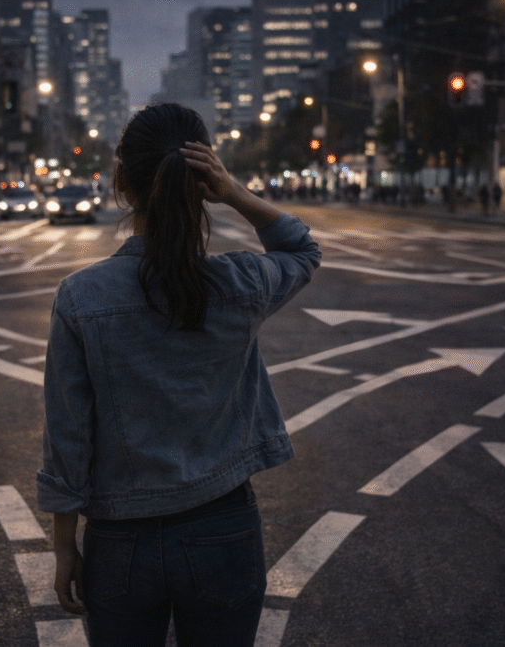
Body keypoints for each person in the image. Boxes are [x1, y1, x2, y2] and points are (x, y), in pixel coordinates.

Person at [37, 103, 321, 647]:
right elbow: (302, 248)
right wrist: (234, 192)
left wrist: (63, 545)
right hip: (224, 531)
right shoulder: (240, 282)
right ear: (204, 181)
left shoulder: (81, 297)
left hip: (120, 541)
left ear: (122, 182)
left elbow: (66, 436)